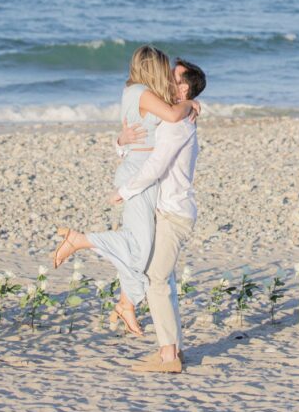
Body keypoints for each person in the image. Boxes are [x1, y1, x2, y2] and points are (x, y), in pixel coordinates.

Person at [52, 45, 200, 336]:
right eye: (165, 68)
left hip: (141, 172)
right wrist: (190, 104)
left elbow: (134, 135)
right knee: (139, 245)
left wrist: (120, 141)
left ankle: (126, 302)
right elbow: (171, 116)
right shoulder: (141, 92)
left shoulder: (140, 92)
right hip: (139, 175)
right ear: (152, 67)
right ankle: (82, 240)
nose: (168, 74)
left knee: (141, 244)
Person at [112, 57, 206, 373]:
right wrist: (121, 142)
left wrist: (124, 191)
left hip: (173, 214)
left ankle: (168, 356)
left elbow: (156, 166)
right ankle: (172, 350)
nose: (167, 81)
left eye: (175, 79)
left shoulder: (178, 124)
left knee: (156, 280)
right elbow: (141, 148)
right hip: (167, 211)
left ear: (185, 88)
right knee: (164, 280)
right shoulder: (175, 119)